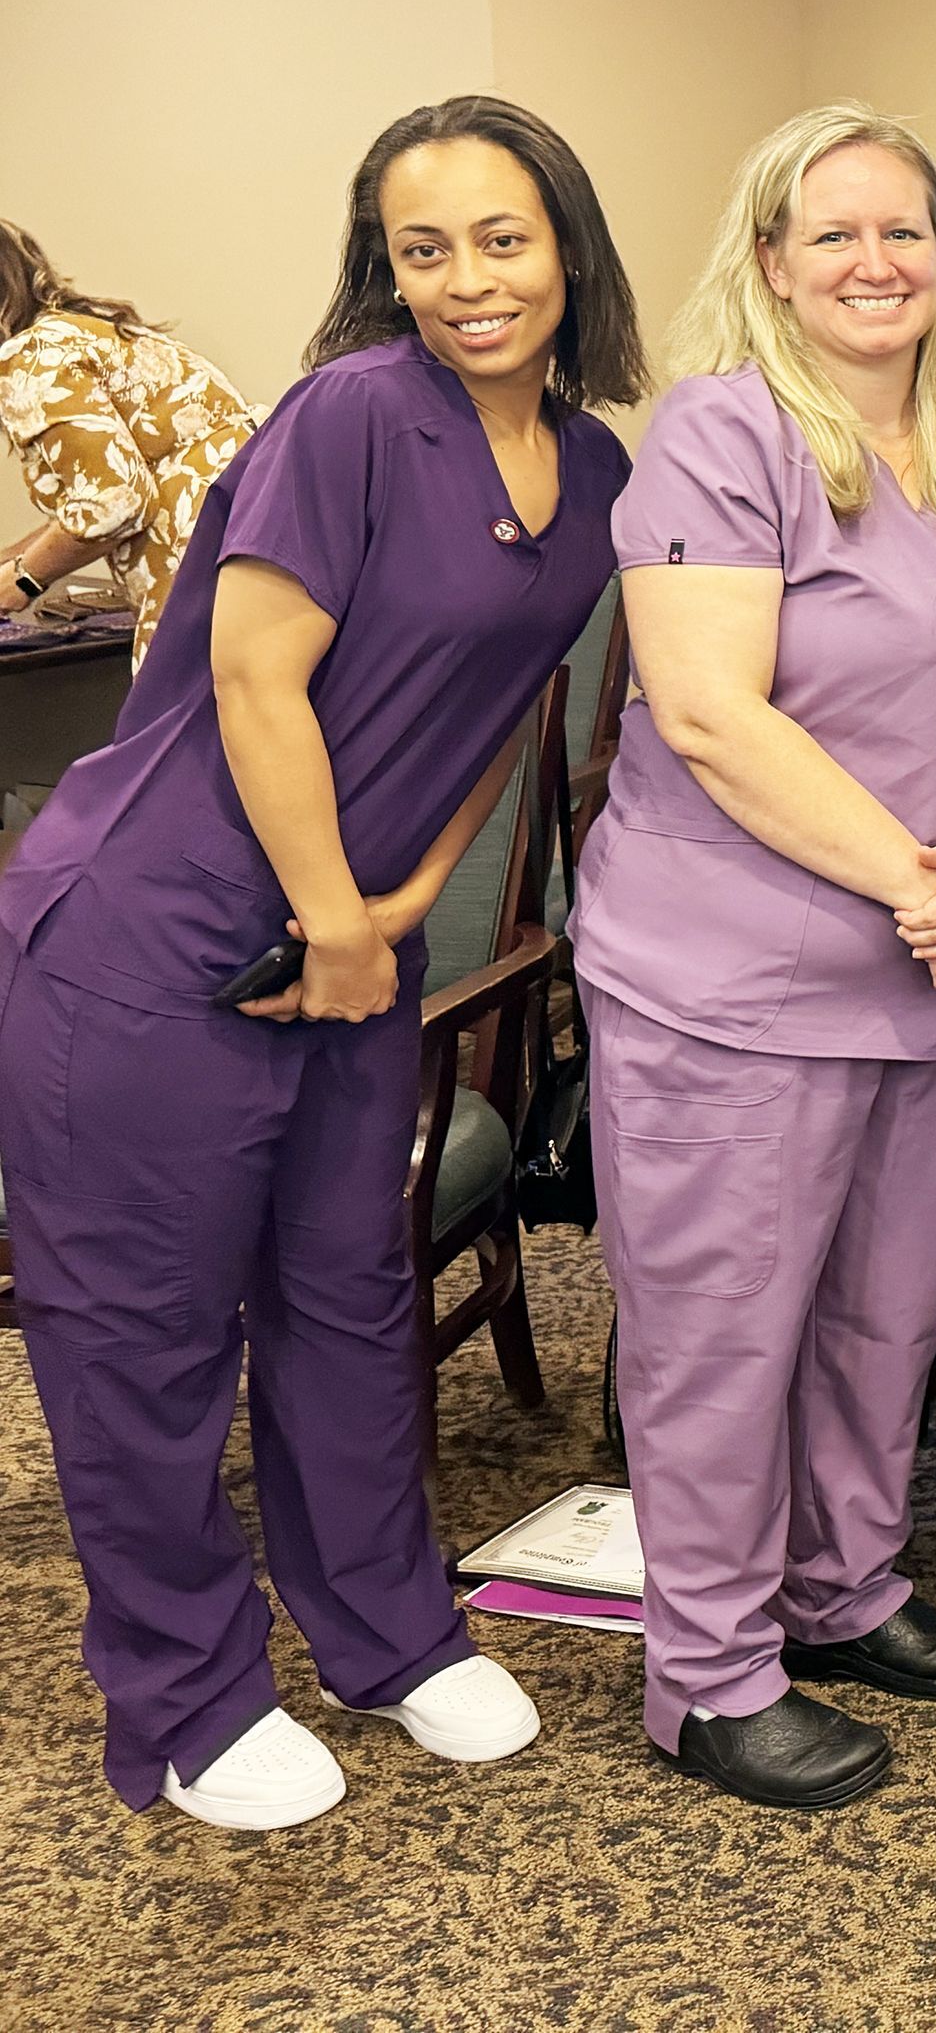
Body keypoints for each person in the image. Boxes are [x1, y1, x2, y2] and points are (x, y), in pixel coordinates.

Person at [0, 95, 643, 1827]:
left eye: (500, 239)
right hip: (152, 927)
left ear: (568, 245)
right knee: (142, 1334)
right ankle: (188, 1695)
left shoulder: (592, 470)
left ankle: (388, 1632)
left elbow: (502, 709)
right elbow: (251, 678)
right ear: (384, 267)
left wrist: (391, 913)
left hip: (345, 939)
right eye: (419, 250)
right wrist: (339, 916)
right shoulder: (349, 415)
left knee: (347, 1301)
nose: (465, 283)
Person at [569, 103, 936, 1812]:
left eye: (904, 232)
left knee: (881, 1318)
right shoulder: (720, 437)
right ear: (772, 266)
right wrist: (914, 876)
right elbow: (708, 714)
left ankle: (840, 1590)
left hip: (931, 965)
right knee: (724, 1331)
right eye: (832, 234)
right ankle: (708, 1675)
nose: (875, 262)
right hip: (735, 976)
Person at [0, 219, 260, 664]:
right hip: (248, 550)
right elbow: (110, 485)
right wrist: (11, 558)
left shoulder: (30, 358)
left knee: (181, 726)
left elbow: (118, 501)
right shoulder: (79, 333)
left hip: (200, 567)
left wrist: (23, 581)